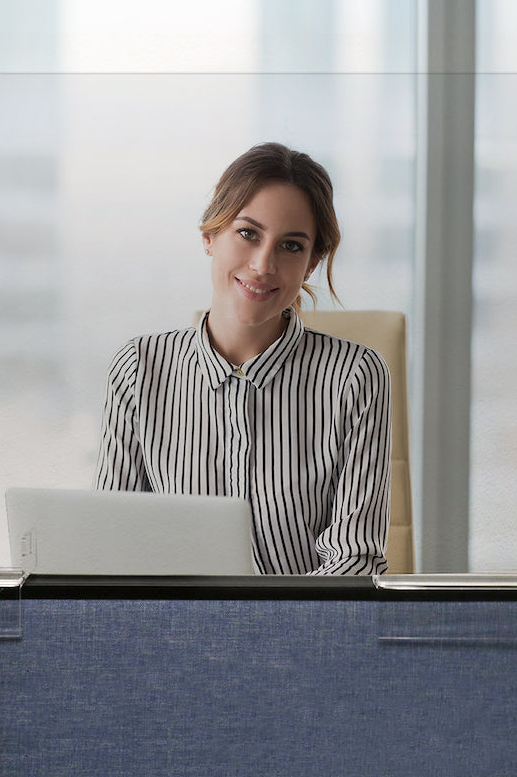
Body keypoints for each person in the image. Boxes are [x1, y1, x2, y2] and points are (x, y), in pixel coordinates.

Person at [93, 142, 391, 575]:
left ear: (311, 265)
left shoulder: (355, 377)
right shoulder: (138, 369)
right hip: (175, 632)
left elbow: (355, 560)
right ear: (209, 236)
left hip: (304, 635)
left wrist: (258, 633)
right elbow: (111, 545)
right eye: (248, 233)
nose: (263, 264)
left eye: (291, 246)